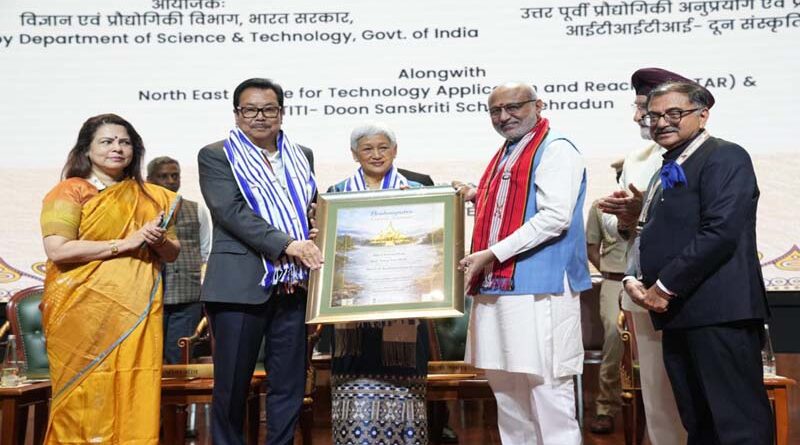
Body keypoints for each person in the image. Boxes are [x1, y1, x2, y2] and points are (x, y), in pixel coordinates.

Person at [624, 81, 772, 444]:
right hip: (680, 313)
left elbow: (720, 231)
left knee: (737, 424)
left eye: (674, 113)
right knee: (699, 421)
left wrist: (663, 286)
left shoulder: (726, 156)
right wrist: (635, 277)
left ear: (702, 114)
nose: (661, 122)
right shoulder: (668, 166)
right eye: (654, 115)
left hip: (719, 312)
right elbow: (655, 231)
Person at [457, 82, 591, 444]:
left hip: (540, 289)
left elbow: (554, 218)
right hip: (500, 287)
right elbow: (512, 203)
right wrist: (475, 194)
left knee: (548, 391)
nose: (504, 117)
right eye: (496, 111)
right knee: (508, 394)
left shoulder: (556, 148)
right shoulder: (509, 151)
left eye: (514, 107)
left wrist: (493, 253)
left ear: (538, 105)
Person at [40, 113, 180, 444]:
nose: (117, 148)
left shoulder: (151, 197)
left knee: (135, 386)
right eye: (106, 141)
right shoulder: (68, 191)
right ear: (86, 150)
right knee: (86, 395)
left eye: (125, 142)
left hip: (137, 314)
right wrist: (126, 243)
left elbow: (172, 252)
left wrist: (156, 240)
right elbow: (57, 249)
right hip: (81, 314)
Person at [198, 78, 322, 445]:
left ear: (281, 113)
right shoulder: (216, 155)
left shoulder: (303, 155)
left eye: (269, 109)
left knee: (289, 385)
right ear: (237, 114)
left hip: (294, 285)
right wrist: (288, 244)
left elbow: (308, 208)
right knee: (232, 388)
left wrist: (317, 228)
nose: (259, 117)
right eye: (249, 110)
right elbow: (230, 212)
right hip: (239, 287)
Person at [597, 67, 694, 445]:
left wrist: (641, 217)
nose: (639, 117)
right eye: (639, 108)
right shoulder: (637, 158)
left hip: (691, 293)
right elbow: (619, 229)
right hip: (643, 291)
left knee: (696, 398)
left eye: (647, 108)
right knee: (656, 398)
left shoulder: (707, 154)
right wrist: (625, 220)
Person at [327, 122, 431, 445]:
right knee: (353, 389)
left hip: (405, 308)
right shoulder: (336, 194)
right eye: (367, 148)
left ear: (395, 151)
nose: (376, 154)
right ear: (354, 154)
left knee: (406, 391)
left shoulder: (419, 188)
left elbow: (432, 245)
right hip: (352, 315)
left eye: (383, 147)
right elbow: (334, 254)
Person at [147, 156, 211, 365]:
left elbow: (206, 251)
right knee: (150, 357)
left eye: (175, 176)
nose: (171, 181)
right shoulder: (140, 211)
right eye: (163, 176)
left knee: (180, 357)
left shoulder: (196, 209)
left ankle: (181, 398)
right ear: (149, 180)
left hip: (187, 297)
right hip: (149, 297)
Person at [585, 190, 626, 434]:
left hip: (650, 283)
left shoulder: (655, 200)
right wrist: (609, 271)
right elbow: (592, 247)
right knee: (613, 337)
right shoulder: (600, 206)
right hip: (614, 282)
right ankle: (605, 407)